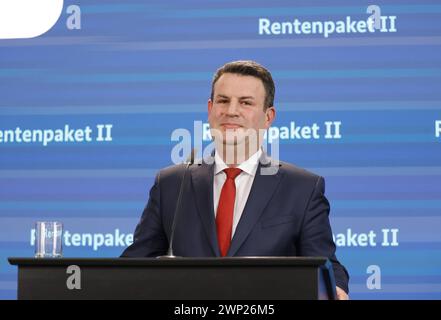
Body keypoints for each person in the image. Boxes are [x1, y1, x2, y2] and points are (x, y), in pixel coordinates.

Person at [121, 60, 349, 299]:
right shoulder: (171, 184)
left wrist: (336, 290)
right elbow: (135, 264)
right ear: (210, 109)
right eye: (222, 100)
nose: (231, 111)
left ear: (268, 117)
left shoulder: (302, 188)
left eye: (246, 102)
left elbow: (326, 266)